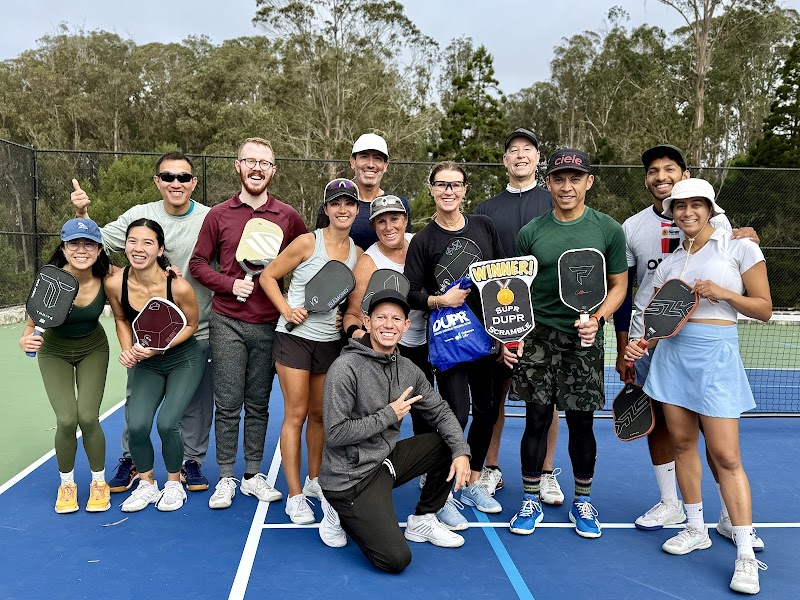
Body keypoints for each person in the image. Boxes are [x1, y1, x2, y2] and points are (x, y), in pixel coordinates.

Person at [613, 145, 764, 551]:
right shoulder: (648, 242)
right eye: (654, 171)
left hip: (712, 355)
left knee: (722, 449)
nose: (686, 211)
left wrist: (724, 289)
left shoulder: (732, 238)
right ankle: (681, 514)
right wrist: (628, 344)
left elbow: (759, 301)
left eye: (695, 204)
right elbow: (631, 293)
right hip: (660, 349)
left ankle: (735, 523)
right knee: (673, 436)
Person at [71, 151, 215, 494]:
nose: (175, 183)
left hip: (197, 328)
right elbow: (96, 243)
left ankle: (190, 461)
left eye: (183, 177)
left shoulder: (210, 218)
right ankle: (133, 459)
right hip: (145, 337)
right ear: (157, 181)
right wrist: (81, 214)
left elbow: (224, 262)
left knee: (194, 403)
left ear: (193, 182)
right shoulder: (140, 216)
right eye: (168, 177)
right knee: (137, 400)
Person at [510, 148, 627, 538]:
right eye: (558, 178)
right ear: (548, 183)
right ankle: (529, 498)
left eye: (575, 178)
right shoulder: (531, 233)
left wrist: (597, 319)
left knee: (581, 424)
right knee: (536, 420)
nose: (566, 186)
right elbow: (517, 290)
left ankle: (583, 501)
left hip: (585, 338)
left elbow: (619, 286)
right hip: (539, 337)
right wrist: (516, 334)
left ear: (588, 182)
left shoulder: (608, 229)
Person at [190, 137, 307, 509]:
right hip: (227, 322)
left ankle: (252, 475)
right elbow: (197, 264)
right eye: (250, 161)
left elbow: (306, 260)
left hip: (270, 325)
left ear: (273, 170)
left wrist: (294, 304)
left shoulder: (288, 217)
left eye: (265, 163)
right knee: (227, 403)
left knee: (258, 404)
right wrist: (229, 283)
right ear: (238, 166)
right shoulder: (218, 215)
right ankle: (225, 476)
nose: (257, 168)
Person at [319, 289, 472, 572]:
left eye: (396, 319)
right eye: (381, 318)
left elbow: (440, 411)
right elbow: (335, 434)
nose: (388, 325)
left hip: (384, 462)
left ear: (406, 326)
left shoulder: (409, 370)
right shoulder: (345, 368)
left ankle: (423, 519)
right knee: (395, 560)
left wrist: (462, 452)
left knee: (448, 444)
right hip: (349, 478)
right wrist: (389, 414)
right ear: (367, 322)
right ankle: (339, 510)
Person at [405, 160, 516, 521]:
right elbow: (411, 294)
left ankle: (470, 481)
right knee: (457, 415)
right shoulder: (423, 240)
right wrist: (441, 301)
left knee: (487, 413)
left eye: (455, 184)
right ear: (432, 190)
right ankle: (444, 492)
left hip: (486, 339)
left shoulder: (485, 227)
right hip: (449, 343)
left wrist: (505, 335)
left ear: (465, 190)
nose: (449, 191)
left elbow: (503, 280)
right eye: (442, 184)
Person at [260, 178, 361, 524]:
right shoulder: (307, 242)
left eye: (349, 203)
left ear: (356, 209)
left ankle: (314, 480)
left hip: (330, 343)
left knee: (320, 415)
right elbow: (268, 277)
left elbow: (348, 300)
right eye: (336, 203)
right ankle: (294, 495)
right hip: (293, 340)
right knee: (296, 414)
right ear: (326, 209)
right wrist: (286, 310)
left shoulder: (357, 254)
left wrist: (343, 318)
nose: (343, 209)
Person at [474, 128, 563, 504]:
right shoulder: (487, 210)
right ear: (505, 160)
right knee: (494, 400)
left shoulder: (555, 202)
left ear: (538, 159)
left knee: (548, 402)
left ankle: (545, 472)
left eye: (528, 149)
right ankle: (490, 469)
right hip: (500, 322)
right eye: (513, 150)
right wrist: (493, 326)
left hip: (546, 321)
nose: (520, 155)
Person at [105, 219, 205, 512]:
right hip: (146, 363)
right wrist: (128, 350)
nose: (139, 248)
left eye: (148, 243)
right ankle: (147, 484)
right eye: (133, 241)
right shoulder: (116, 283)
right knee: (136, 426)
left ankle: (174, 484)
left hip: (183, 359)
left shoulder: (179, 286)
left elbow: (191, 325)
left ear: (160, 250)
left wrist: (158, 346)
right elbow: (122, 318)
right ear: (125, 246)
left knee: (167, 423)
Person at [19, 218, 112, 514]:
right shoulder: (50, 279)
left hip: (93, 348)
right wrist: (25, 340)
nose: (81, 249)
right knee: (67, 419)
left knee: (87, 415)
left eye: (88, 244)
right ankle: (67, 483)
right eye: (74, 243)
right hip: (54, 351)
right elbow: (32, 325)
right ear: (64, 247)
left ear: (98, 250)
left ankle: (99, 482)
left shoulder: (107, 278)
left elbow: (140, 276)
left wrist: (169, 272)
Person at [315, 133, 411, 250]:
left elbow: (404, 250)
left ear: (385, 165)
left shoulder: (398, 205)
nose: (371, 164)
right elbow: (319, 250)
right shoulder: (332, 204)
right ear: (353, 162)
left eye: (377, 158)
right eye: (364, 157)